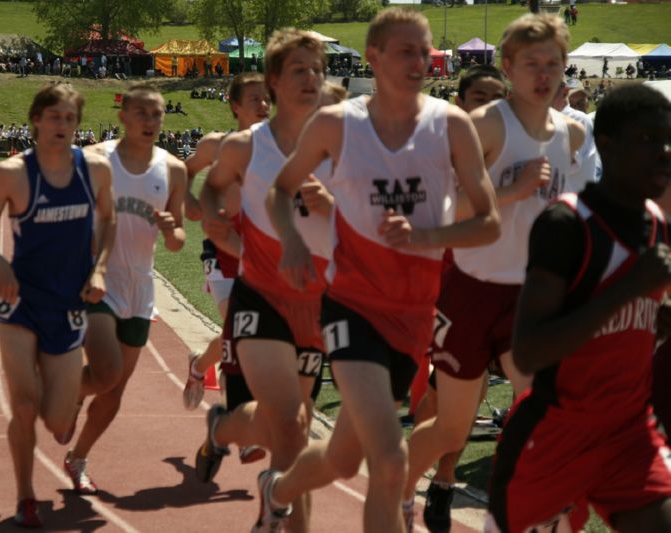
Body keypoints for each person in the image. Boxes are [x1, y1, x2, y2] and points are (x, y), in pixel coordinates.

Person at [256, 9, 500, 533]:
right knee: (390, 462)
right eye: (406, 51)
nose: (420, 61)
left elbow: (488, 222)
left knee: (345, 458)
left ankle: (275, 490)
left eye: (425, 50)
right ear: (374, 57)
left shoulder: (450, 125)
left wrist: (427, 238)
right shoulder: (337, 123)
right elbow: (281, 188)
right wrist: (293, 241)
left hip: (414, 317)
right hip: (353, 307)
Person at [403, 13, 585, 532]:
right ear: (508, 67)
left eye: (554, 62)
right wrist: (510, 190)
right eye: (532, 63)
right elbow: (442, 207)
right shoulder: (485, 125)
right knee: (454, 428)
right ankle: (396, 486)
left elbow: (560, 210)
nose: (544, 73)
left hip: (531, 295)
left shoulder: (570, 135)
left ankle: (518, 514)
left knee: (545, 411)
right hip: (471, 289)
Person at [486, 82, 671, 533]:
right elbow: (528, 352)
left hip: (629, 434)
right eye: (648, 140)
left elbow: (636, 327)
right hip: (553, 439)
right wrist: (629, 289)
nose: (664, 152)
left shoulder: (655, 225)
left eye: (668, 139)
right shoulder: (567, 223)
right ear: (605, 144)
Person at [197, 28, 333, 533]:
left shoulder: (343, 142)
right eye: (299, 70)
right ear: (274, 82)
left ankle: (223, 431)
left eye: (317, 69)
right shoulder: (245, 146)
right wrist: (214, 219)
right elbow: (209, 189)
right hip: (262, 294)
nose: (311, 79)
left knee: (287, 427)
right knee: (291, 425)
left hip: (317, 303)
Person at [0, 83, 115, 528]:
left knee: (54, 420)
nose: (62, 126)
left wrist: (99, 268)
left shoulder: (95, 170)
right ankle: (26, 497)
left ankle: (65, 405)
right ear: (36, 119)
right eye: (54, 117)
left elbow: (108, 219)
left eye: (70, 119)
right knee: (25, 405)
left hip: (69, 302)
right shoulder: (10, 174)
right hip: (21, 301)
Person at [58, 85, 187, 495]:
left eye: (157, 114)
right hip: (97, 280)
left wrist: (173, 230)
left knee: (114, 389)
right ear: (123, 116)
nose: (150, 122)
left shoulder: (174, 169)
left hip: (141, 287)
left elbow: (178, 239)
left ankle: (78, 457)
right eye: (142, 113)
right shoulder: (96, 159)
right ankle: (67, 392)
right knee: (107, 371)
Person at [410, 63, 507, 533]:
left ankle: (444, 479)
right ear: (461, 101)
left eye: (496, 96)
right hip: (443, 279)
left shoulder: (523, 146)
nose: (488, 105)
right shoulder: (439, 149)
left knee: (469, 393)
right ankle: (412, 473)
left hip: (502, 285)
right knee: (442, 398)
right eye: (478, 96)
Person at [182, 72, 271, 414]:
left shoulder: (279, 147)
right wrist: (189, 202)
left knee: (247, 331)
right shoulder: (215, 145)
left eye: (267, 98)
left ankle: (199, 364)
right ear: (235, 106)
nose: (264, 105)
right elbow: (184, 170)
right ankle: (237, 413)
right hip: (222, 251)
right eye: (254, 100)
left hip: (262, 253)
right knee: (238, 328)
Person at [552, 80, 599, 191]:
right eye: (576, 103)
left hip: (573, 203)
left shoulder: (579, 120)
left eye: (582, 101)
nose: (580, 106)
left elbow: (564, 165)